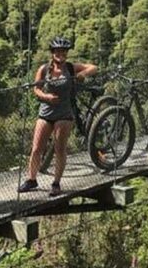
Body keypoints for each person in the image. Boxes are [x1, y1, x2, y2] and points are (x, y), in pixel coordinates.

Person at [18, 37, 98, 196]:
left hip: (64, 114)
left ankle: (56, 183)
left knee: (59, 149)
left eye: (63, 51)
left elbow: (94, 67)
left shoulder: (70, 68)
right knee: (36, 148)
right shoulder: (44, 69)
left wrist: (82, 74)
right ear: (52, 53)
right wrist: (46, 97)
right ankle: (31, 179)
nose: (61, 54)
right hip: (45, 113)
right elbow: (36, 89)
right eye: (57, 51)